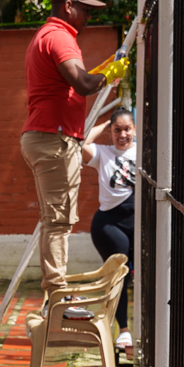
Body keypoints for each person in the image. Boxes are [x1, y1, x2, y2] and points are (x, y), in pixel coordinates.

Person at [21, 0, 123, 296]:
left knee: (56, 219)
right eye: (85, 9)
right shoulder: (60, 37)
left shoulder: (47, 35)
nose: (89, 17)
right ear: (68, 6)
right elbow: (82, 83)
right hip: (54, 140)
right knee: (58, 222)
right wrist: (110, 72)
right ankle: (58, 294)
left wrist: (105, 69)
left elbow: (75, 81)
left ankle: (57, 292)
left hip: (48, 137)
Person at [81, 107, 136, 351]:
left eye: (127, 129)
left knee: (144, 276)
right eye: (117, 129)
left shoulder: (146, 151)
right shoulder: (102, 153)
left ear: (135, 129)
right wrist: (105, 123)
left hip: (140, 222)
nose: (122, 134)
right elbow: (79, 141)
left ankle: (146, 327)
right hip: (110, 225)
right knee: (118, 276)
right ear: (110, 132)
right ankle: (123, 330)